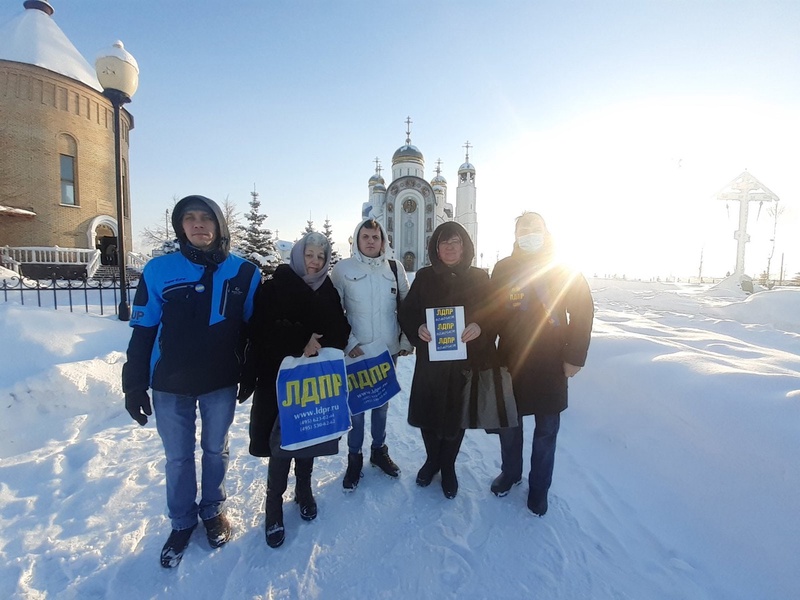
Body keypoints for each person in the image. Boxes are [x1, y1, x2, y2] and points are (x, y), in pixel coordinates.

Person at [121, 195, 261, 568]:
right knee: (178, 458)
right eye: (189, 218)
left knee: (216, 449)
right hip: (170, 384)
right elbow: (143, 329)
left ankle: (213, 510)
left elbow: (253, 330)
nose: (198, 224)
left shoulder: (246, 273)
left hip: (220, 381)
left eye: (206, 218)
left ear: (219, 225)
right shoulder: (158, 270)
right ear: (180, 226)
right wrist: (134, 382)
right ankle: (182, 522)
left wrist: (249, 371)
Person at [242, 232, 350, 548]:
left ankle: (304, 489)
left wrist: (324, 344)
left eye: (321, 256)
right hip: (279, 379)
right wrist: (298, 341)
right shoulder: (275, 286)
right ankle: (273, 506)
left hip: (313, 381)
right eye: (310, 254)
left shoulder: (328, 290)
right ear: (299, 254)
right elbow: (259, 329)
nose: (315, 261)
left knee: (309, 434)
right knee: (281, 441)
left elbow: (340, 329)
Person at [489, 211, 594, 516]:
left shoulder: (563, 269)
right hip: (511, 359)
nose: (530, 232)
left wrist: (574, 356)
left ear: (547, 233)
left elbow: (583, 312)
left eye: (536, 227)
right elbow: (492, 312)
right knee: (510, 424)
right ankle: (510, 473)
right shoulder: (504, 268)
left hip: (550, 362)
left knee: (546, 430)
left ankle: (539, 488)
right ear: (516, 235)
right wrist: (486, 353)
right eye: (524, 227)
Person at [398, 221, 493, 499]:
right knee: (429, 413)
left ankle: (448, 465)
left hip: (465, 359)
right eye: (444, 243)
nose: (450, 247)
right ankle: (432, 461)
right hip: (432, 360)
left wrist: (480, 327)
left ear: (465, 247)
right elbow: (408, 311)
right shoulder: (425, 277)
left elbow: (494, 311)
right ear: (436, 248)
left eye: (455, 242)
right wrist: (418, 328)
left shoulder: (479, 278)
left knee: (456, 414)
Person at [330, 218, 414, 491]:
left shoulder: (394, 268)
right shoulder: (343, 270)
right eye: (364, 236)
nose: (370, 241)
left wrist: (405, 339)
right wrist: (348, 341)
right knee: (356, 407)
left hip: (387, 351)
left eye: (375, 237)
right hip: (356, 351)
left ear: (383, 241)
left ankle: (379, 450)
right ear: (356, 240)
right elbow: (333, 311)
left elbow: (406, 305)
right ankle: (354, 457)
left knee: (381, 404)